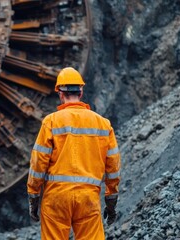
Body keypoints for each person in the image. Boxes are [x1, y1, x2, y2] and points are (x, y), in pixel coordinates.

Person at [27, 67, 121, 239]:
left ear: (60, 94)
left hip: (56, 198)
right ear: (81, 91)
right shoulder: (103, 124)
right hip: (88, 198)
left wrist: (33, 197)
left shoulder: (51, 122)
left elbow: (38, 162)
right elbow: (113, 166)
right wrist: (111, 200)